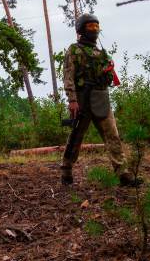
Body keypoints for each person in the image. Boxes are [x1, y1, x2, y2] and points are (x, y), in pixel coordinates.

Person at [60, 13, 141, 187]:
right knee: (76, 137)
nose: (95, 29)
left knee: (113, 137)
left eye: (96, 26)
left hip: (101, 98)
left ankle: (123, 175)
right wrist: (72, 99)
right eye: (90, 26)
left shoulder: (100, 53)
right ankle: (66, 172)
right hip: (82, 99)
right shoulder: (75, 50)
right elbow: (68, 76)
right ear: (81, 29)